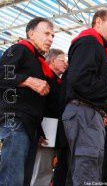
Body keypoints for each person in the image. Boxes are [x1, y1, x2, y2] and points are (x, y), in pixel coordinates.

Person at [61, 7, 107, 185]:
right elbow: (81, 80)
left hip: (90, 113)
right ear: (98, 22)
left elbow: (86, 83)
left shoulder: (95, 45)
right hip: (84, 113)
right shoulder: (89, 42)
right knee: (87, 169)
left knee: (87, 168)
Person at [0, 17, 54, 185]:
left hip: (29, 126)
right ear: (31, 33)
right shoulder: (18, 49)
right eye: (46, 33)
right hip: (15, 121)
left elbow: (33, 101)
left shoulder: (38, 61)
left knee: (23, 179)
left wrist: (39, 131)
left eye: (53, 35)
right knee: (12, 178)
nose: (51, 39)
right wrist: (30, 81)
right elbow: (2, 75)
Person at [30, 49, 68, 186]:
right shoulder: (44, 78)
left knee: (46, 169)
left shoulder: (57, 81)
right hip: (45, 127)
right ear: (53, 61)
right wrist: (39, 131)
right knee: (40, 168)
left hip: (53, 129)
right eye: (63, 60)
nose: (66, 64)